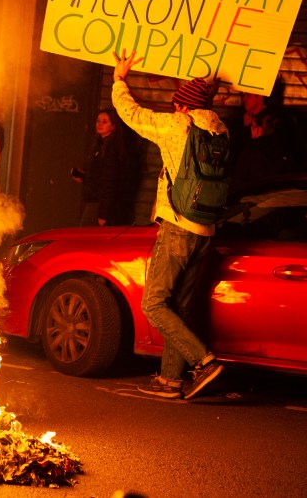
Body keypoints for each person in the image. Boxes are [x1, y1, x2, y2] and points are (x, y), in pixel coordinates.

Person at [111, 49, 226, 400]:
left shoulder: (176, 126)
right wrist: (209, 87)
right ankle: (170, 379)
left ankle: (203, 361)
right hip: (207, 229)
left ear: (182, 106)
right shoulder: (221, 130)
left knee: (155, 304)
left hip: (178, 226)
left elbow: (131, 114)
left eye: (178, 103)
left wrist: (118, 80)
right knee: (180, 305)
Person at [72, 107, 134, 226]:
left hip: (100, 205)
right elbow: (99, 175)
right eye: (98, 121)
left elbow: (110, 181)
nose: (99, 124)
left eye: (104, 122)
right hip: (93, 201)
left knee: (86, 237)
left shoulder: (111, 149)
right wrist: (84, 176)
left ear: (113, 126)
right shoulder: (99, 146)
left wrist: (103, 214)